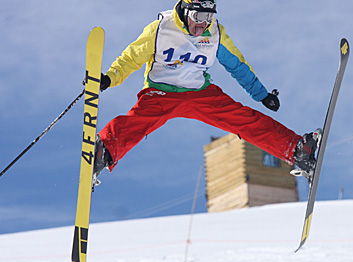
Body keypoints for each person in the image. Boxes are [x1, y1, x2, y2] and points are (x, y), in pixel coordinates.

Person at [91, 0, 318, 185]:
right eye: (199, 17)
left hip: (200, 93)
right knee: (137, 121)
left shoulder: (215, 34)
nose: (203, 24)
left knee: (243, 119)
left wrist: (261, 94)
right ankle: (104, 151)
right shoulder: (160, 29)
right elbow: (132, 57)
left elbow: (236, 65)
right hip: (161, 92)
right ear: (185, 11)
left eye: (209, 18)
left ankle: (298, 150)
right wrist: (110, 78)